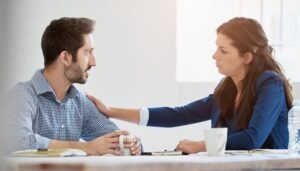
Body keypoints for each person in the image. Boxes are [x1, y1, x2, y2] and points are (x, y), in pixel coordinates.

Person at [87, 17, 293, 154]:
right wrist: (111, 111)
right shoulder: (226, 88)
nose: (215, 56)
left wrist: (200, 146)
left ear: (246, 57)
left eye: (223, 50)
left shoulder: (269, 83)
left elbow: (253, 138)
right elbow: (178, 115)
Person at [6, 17, 141, 156]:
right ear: (65, 57)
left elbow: (114, 141)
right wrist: (86, 148)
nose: (93, 62)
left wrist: (131, 144)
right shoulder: (22, 95)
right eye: (87, 52)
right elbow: (18, 142)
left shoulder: (80, 102)